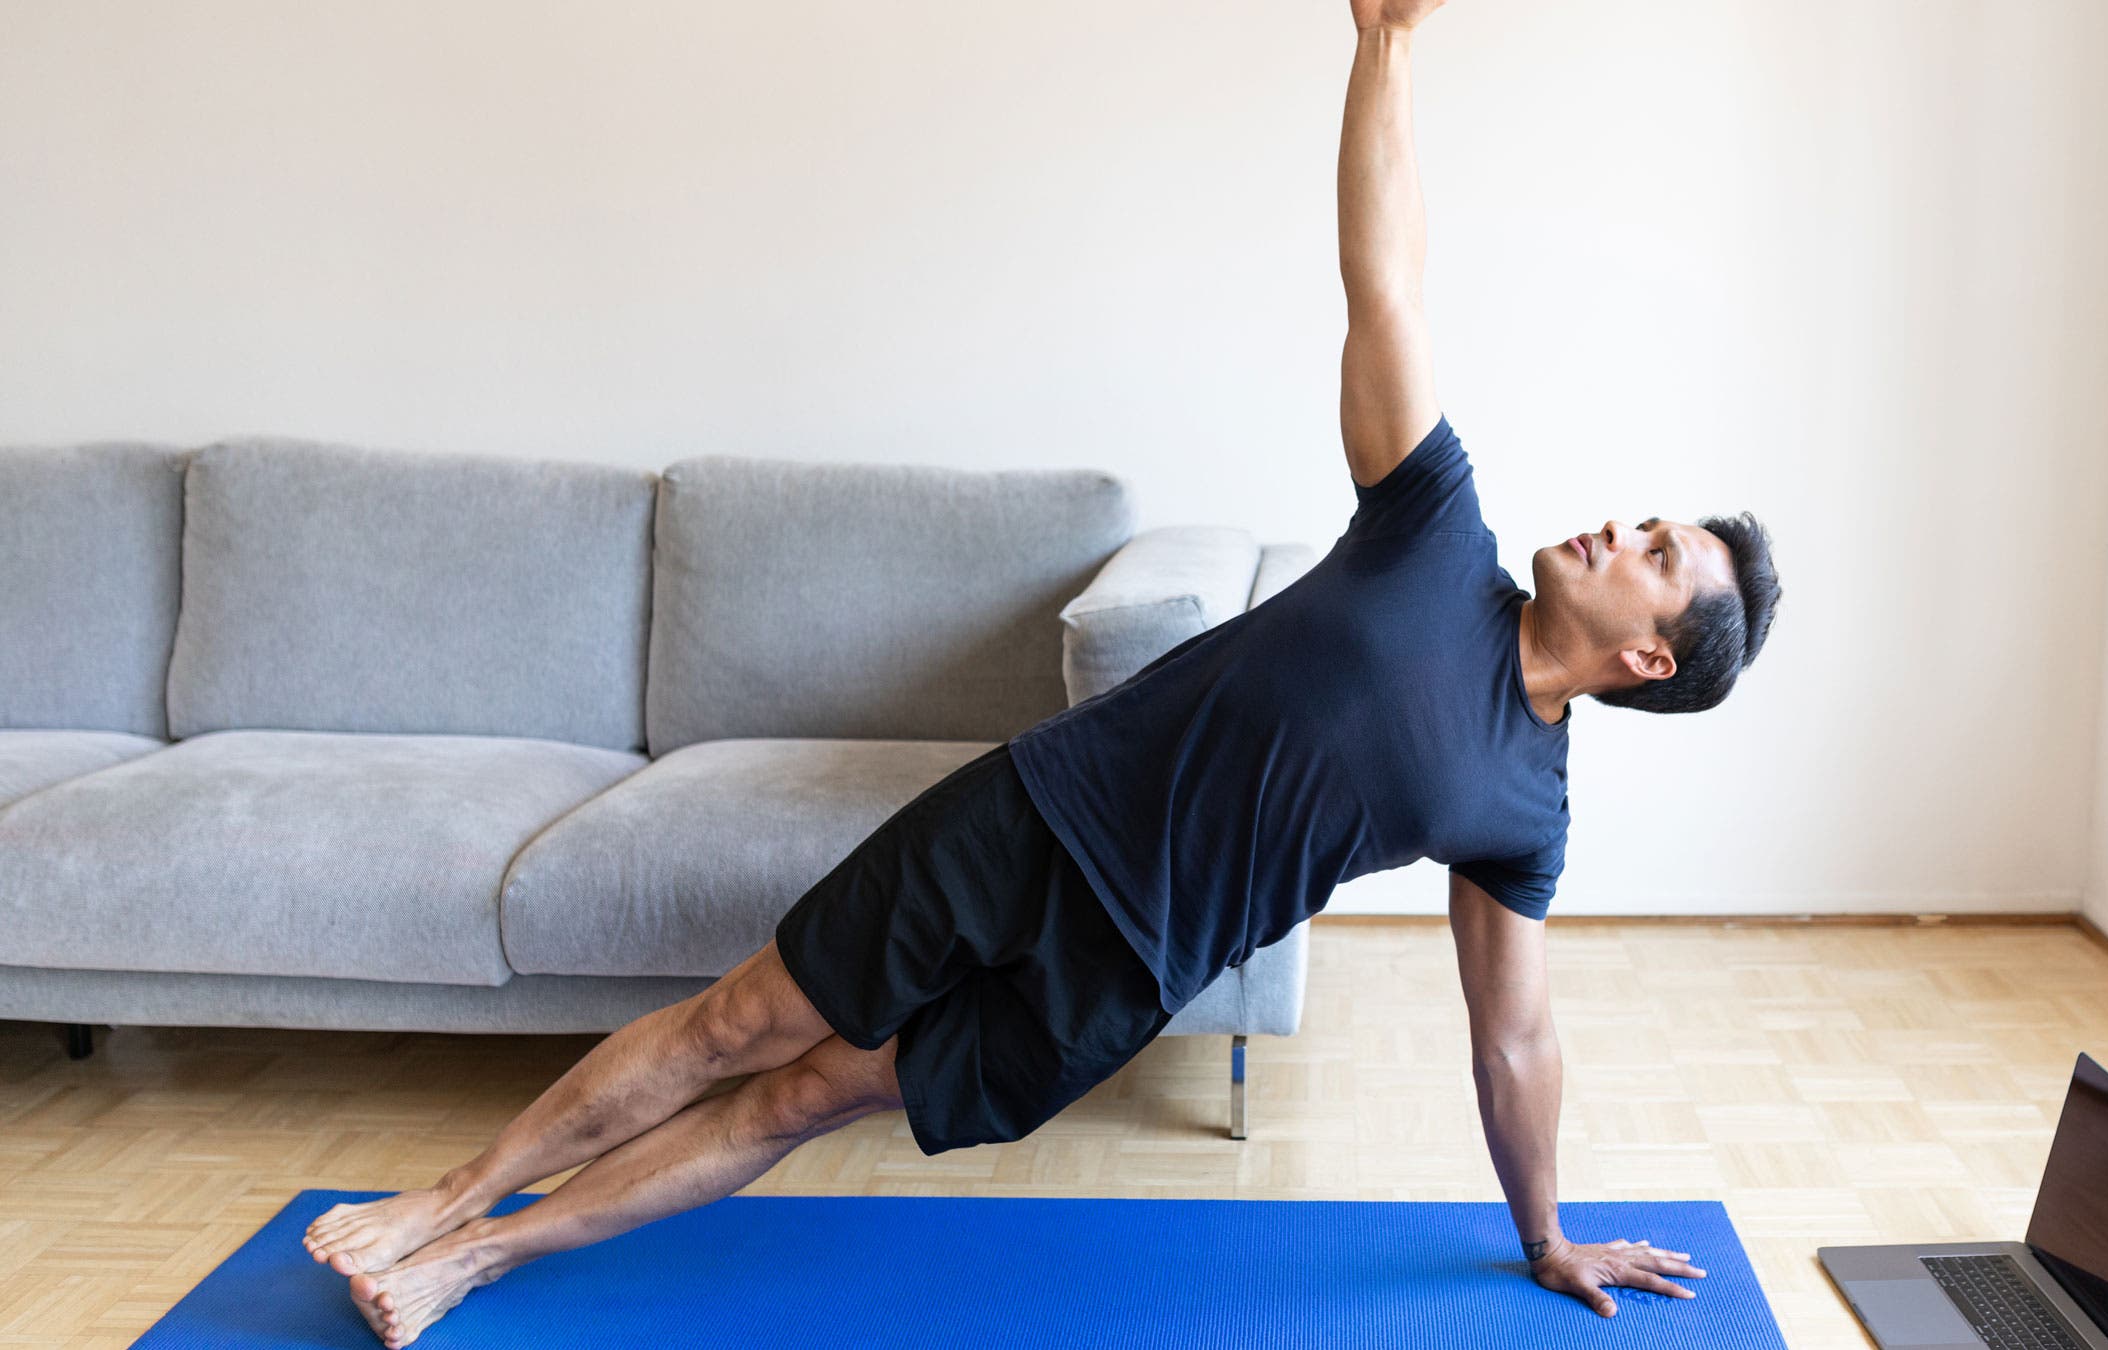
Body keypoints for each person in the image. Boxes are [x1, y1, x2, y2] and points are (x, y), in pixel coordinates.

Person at [301, 1, 1781, 1342]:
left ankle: (478, 1260)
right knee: (740, 1024)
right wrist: (1384, 43)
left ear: (1649, 656)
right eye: (1646, 519)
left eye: (1655, 551)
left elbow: (1513, 1033)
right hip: (1030, 819)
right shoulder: (1434, 531)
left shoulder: (1525, 808)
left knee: (806, 1096)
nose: (1620, 526)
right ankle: (446, 1199)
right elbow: (1382, 286)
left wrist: (1546, 1235)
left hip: (1118, 975)